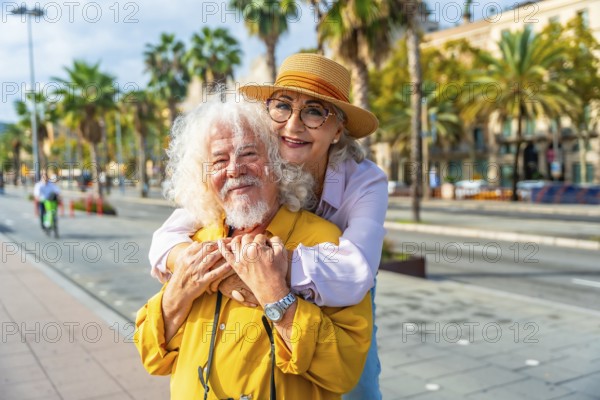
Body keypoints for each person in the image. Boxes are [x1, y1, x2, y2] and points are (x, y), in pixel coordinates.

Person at [149, 53, 388, 399]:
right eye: (283, 106)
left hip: (337, 277)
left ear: (338, 130)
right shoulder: (252, 159)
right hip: (271, 274)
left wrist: (263, 268)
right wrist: (224, 267)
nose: (293, 125)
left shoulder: (364, 181)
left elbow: (355, 272)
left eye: (314, 111)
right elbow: (168, 237)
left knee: (357, 380)